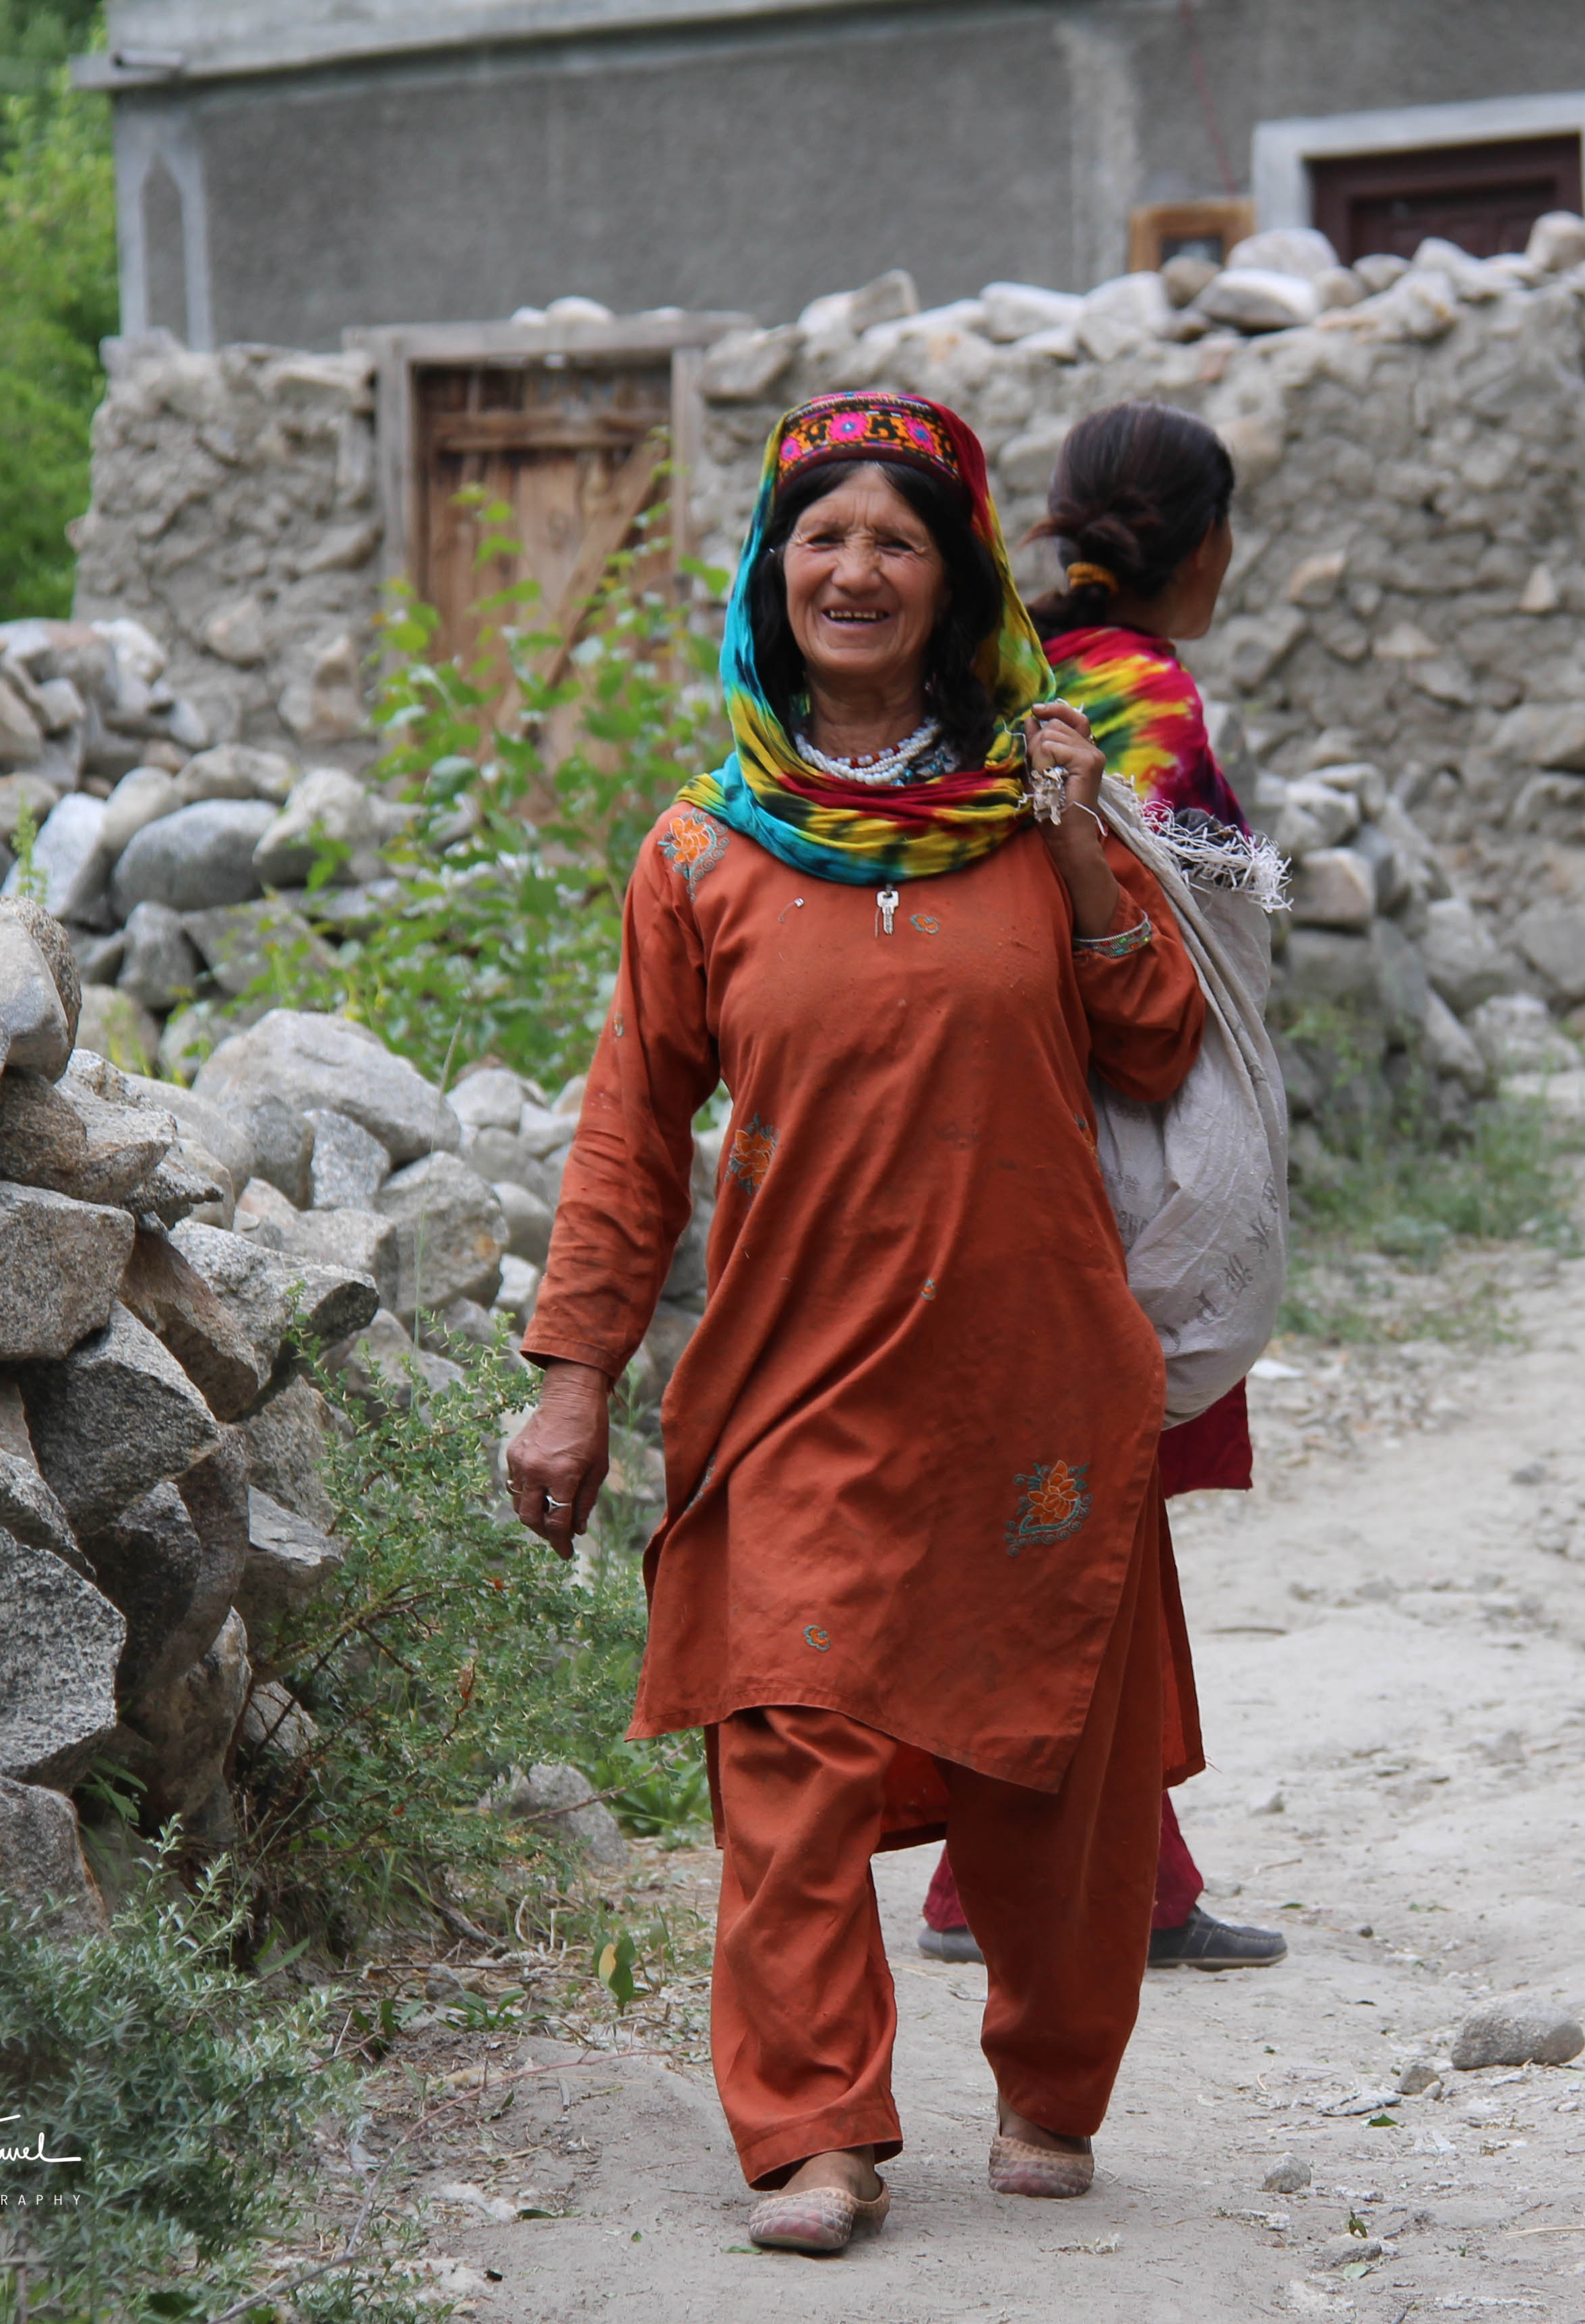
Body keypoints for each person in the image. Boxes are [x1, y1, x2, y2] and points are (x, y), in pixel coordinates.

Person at [504, 390, 1209, 2259]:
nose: (858, 568)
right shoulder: (700, 855)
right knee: (787, 1745)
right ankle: (817, 2132)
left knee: (1047, 1756)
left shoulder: (1038, 823)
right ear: (772, 574)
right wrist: (573, 1385)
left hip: (1035, 1374)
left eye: (900, 538)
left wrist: (1072, 845)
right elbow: (629, 1137)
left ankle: (1053, 2080)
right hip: (799, 1383)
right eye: (823, 536)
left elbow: (1158, 1040)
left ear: (958, 579)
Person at [915, 399, 1286, 1973]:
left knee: (1050, 1502)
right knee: (1093, 1508)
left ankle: (1091, 1859)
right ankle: (1050, 1877)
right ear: (1202, 543)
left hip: (974, 1124)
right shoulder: (1151, 693)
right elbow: (1175, 922)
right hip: (1105, 1138)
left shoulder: (989, 672)